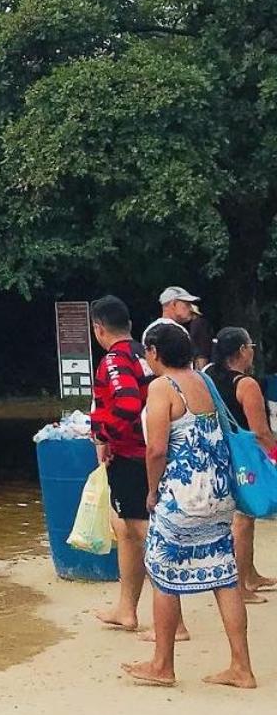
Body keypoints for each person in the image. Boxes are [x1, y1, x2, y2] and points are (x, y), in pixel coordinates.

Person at [122, 319, 255, 690]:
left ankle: (162, 665)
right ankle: (241, 667)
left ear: (153, 353)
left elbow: (157, 450)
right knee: (225, 577)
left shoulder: (162, 388)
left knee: (163, 574)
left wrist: (151, 492)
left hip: (182, 495)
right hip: (218, 494)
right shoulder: (205, 381)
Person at [89, 295, 153, 633]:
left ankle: (176, 622)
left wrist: (103, 434)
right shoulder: (146, 353)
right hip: (147, 454)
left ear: (99, 329)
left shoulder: (114, 360)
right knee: (126, 530)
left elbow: (127, 405)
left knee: (143, 532)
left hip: (131, 456)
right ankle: (126, 609)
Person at [207, 326, 277, 601]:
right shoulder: (246, 385)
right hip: (244, 458)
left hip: (218, 452)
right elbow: (259, 431)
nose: (253, 351)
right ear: (240, 351)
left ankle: (249, 573)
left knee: (241, 516)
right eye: (250, 346)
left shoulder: (209, 376)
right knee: (244, 518)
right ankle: (240, 584)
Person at [159, 286, 213, 369]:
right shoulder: (168, 331)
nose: (190, 309)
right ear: (174, 304)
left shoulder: (157, 329)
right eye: (187, 304)